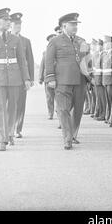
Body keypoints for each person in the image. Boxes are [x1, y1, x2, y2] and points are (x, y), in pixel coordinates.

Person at [0, 8, 31, 151]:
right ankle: (1, 140)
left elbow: (22, 61)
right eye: (6, 20)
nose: (9, 22)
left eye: (10, 20)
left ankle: (9, 134)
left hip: (15, 79)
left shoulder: (16, 40)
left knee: (12, 108)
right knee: (0, 109)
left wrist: (26, 79)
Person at [45, 13, 88, 150]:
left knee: (78, 110)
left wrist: (90, 77)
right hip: (62, 81)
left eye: (76, 24)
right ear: (64, 26)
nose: (75, 27)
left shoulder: (81, 41)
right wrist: (50, 78)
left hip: (80, 81)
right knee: (63, 110)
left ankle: (73, 134)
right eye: (72, 24)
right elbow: (49, 61)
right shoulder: (55, 41)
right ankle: (67, 138)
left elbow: (86, 61)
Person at [9, 12, 35, 138]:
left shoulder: (26, 41)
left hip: (22, 78)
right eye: (15, 24)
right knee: (10, 104)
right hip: (9, 79)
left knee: (21, 104)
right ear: (10, 25)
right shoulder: (6, 39)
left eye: (20, 24)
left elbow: (30, 60)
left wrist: (30, 79)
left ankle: (17, 129)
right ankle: (10, 127)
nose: (18, 26)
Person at [39, 33, 57, 120]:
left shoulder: (59, 51)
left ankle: (60, 116)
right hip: (47, 78)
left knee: (59, 98)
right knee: (49, 98)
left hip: (58, 78)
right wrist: (40, 78)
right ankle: (50, 113)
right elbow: (42, 65)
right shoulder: (45, 53)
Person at [102, 36, 112, 124]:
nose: (105, 45)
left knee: (111, 100)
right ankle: (108, 117)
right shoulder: (106, 54)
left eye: (106, 43)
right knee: (108, 100)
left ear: (111, 44)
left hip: (110, 79)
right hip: (106, 79)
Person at [93, 39, 106, 121]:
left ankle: (103, 114)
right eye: (98, 45)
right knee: (99, 98)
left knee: (103, 99)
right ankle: (100, 113)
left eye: (100, 45)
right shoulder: (97, 55)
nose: (98, 47)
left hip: (101, 80)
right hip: (97, 80)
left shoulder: (103, 55)